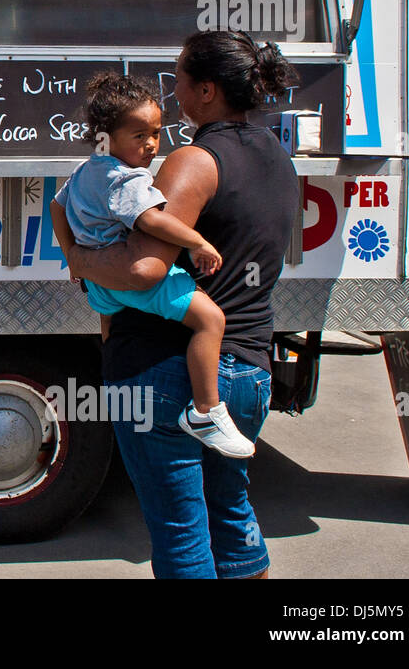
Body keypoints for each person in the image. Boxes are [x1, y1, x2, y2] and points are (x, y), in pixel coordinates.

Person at [56, 31, 299, 579]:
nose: (174, 90)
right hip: (248, 368)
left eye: (181, 78)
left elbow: (144, 269)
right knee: (232, 522)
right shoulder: (277, 156)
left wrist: (76, 258)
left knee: (181, 536)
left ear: (207, 90)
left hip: (164, 372)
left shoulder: (193, 160)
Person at [50, 72, 254, 458]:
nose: (150, 145)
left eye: (156, 134)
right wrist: (197, 242)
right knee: (211, 320)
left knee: (112, 329)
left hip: (99, 286)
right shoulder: (126, 180)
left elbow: (56, 207)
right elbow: (152, 221)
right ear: (107, 138)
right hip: (132, 279)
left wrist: (72, 256)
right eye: (139, 135)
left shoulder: (84, 171)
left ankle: (115, 388)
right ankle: (206, 411)